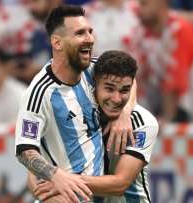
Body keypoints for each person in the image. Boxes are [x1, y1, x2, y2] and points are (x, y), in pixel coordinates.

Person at [15, 5, 135, 203]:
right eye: (80, 33)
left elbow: (129, 77)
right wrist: (56, 176)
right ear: (57, 43)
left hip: (97, 196)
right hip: (62, 197)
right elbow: (24, 150)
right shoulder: (39, 93)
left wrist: (125, 113)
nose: (90, 38)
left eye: (90, 31)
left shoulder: (93, 68)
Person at [29, 50, 158, 203]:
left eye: (124, 90)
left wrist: (64, 182)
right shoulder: (71, 112)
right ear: (94, 83)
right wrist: (48, 194)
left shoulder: (143, 123)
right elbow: (34, 173)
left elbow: (120, 183)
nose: (116, 99)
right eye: (109, 88)